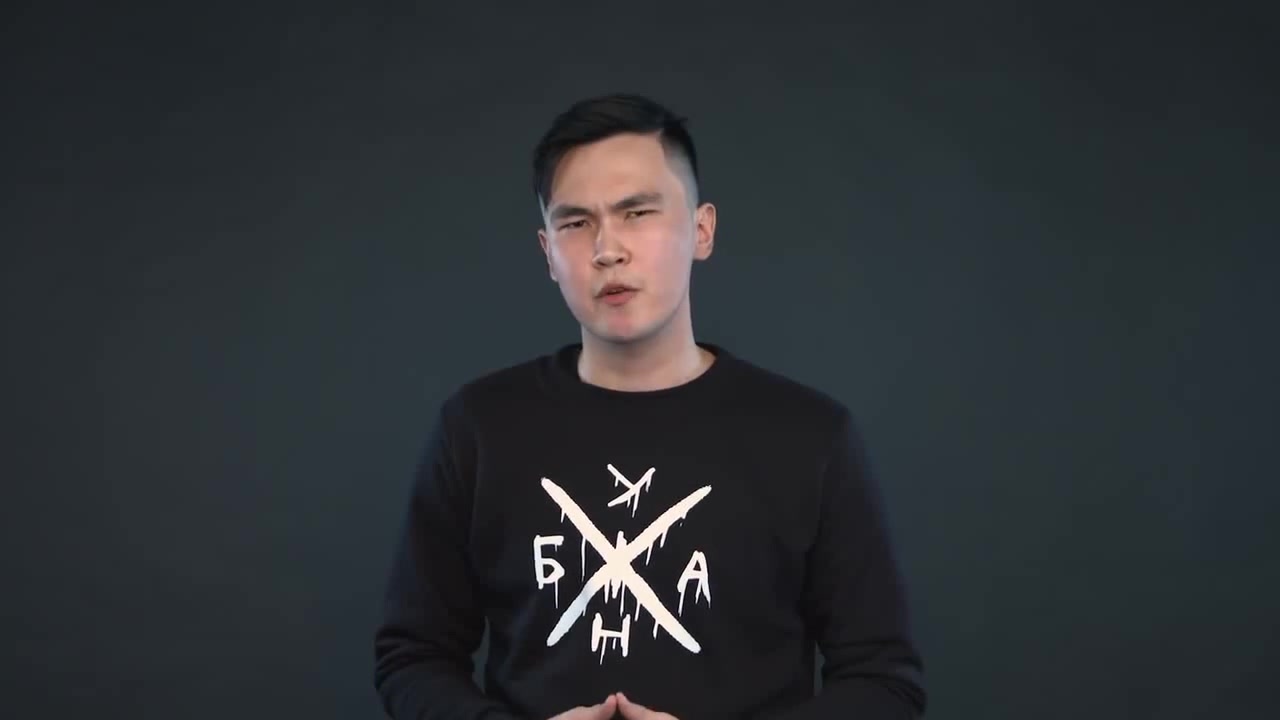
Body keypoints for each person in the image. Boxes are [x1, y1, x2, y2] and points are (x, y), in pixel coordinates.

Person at [373, 93, 927, 720]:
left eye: (636, 212)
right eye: (575, 223)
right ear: (547, 253)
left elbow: (884, 683)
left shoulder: (809, 435)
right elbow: (413, 657)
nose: (607, 248)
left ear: (702, 230)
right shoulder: (479, 427)